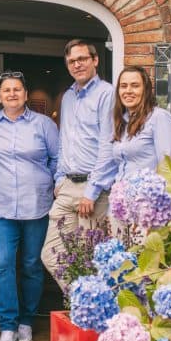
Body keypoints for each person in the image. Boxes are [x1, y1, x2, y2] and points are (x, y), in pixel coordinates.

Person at [0, 71, 59, 341]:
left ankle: (27, 322)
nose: (12, 94)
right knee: (4, 266)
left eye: (17, 89)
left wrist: (53, 187)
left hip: (37, 205)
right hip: (0, 206)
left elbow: (58, 158)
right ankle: (7, 326)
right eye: (6, 90)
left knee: (32, 265)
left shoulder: (44, 124)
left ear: (25, 93)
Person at [41, 39, 117, 290]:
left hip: (94, 190)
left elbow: (109, 145)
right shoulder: (68, 97)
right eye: (72, 61)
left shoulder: (107, 93)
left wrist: (92, 191)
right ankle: (84, 300)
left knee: (89, 259)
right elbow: (65, 140)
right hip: (67, 187)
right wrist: (59, 178)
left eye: (82, 59)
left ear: (95, 60)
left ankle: (88, 311)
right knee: (52, 254)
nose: (77, 64)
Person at [112, 65, 171, 178]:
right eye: (123, 86)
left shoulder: (159, 117)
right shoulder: (123, 121)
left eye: (135, 86)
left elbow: (169, 171)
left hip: (149, 195)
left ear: (146, 89)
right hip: (122, 193)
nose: (128, 91)